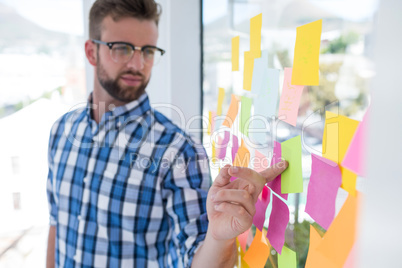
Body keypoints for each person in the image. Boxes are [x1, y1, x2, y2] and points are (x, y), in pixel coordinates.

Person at [46, 0, 288, 267]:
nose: (137, 64)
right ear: (92, 52)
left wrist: (219, 239)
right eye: (123, 48)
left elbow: (197, 259)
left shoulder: (178, 151)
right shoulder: (62, 131)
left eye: (148, 51)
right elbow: (56, 226)